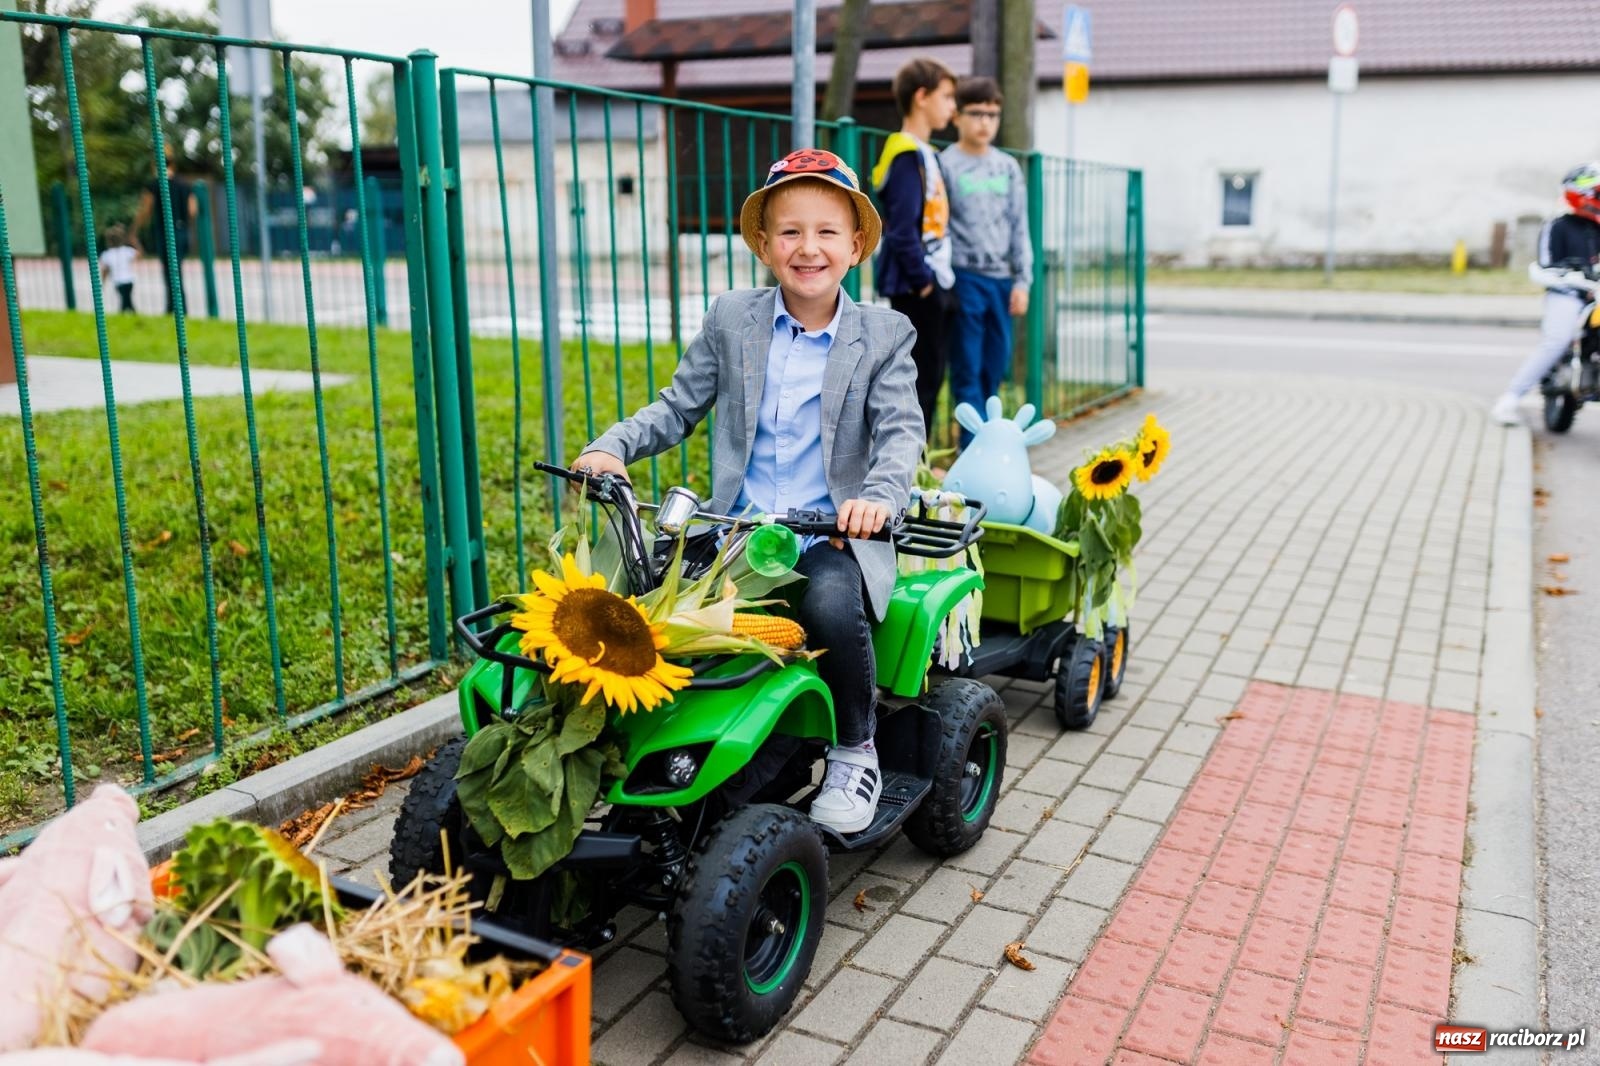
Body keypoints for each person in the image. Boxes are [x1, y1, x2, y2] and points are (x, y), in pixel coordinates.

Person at [573, 148, 924, 833]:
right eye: (790, 231)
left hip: (830, 535)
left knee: (827, 601)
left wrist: (878, 496)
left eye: (826, 232)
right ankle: (637, 748)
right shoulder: (734, 318)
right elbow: (677, 407)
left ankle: (856, 749)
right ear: (764, 245)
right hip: (736, 531)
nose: (808, 248)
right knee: (644, 603)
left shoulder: (884, 334)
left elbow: (901, 433)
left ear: (855, 245)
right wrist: (612, 445)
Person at [940, 76, 1033, 449]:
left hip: (1001, 280)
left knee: (994, 369)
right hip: (964, 278)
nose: (985, 123)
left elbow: (1019, 224)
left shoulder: (1007, 167)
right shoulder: (945, 164)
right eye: (976, 113)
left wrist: (1022, 281)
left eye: (992, 115)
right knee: (967, 370)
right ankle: (969, 450)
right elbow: (940, 225)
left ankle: (992, 448)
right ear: (958, 116)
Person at [871, 56, 958, 439]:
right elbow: (902, 230)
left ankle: (918, 463)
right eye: (947, 96)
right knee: (920, 380)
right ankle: (912, 468)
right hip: (917, 285)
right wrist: (925, 283)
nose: (952, 107)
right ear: (921, 97)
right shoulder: (906, 153)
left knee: (932, 373)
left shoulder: (925, 152)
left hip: (933, 278)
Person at [1492, 163, 1600, 426]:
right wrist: (1568, 274)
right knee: (1557, 339)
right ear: (1582, 194)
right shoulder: (1558, 226)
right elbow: (1546, 262)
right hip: (1568, 293)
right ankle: (1510, 400)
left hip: (1596, 295)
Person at [132, 150, 196, 315]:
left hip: (165, 232)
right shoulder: (185, 184)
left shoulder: (154, 185)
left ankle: (173, 308)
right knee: (177, 270)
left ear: (155, 165)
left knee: (169, 271)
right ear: (172, 164)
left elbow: (146, 210)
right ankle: (178, 308)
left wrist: (135, 229)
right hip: (181, 230)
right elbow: (192, 210)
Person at [99, 224, 137, 314]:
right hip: (129, 280)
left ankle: (124, 314)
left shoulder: (107, 254)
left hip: (118, 282)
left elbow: (105, 270)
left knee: (126, 301)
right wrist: (135, 242)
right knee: (127, 300)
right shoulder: (127, 250)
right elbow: (139, 254)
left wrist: (103, 282)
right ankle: (130, 314)